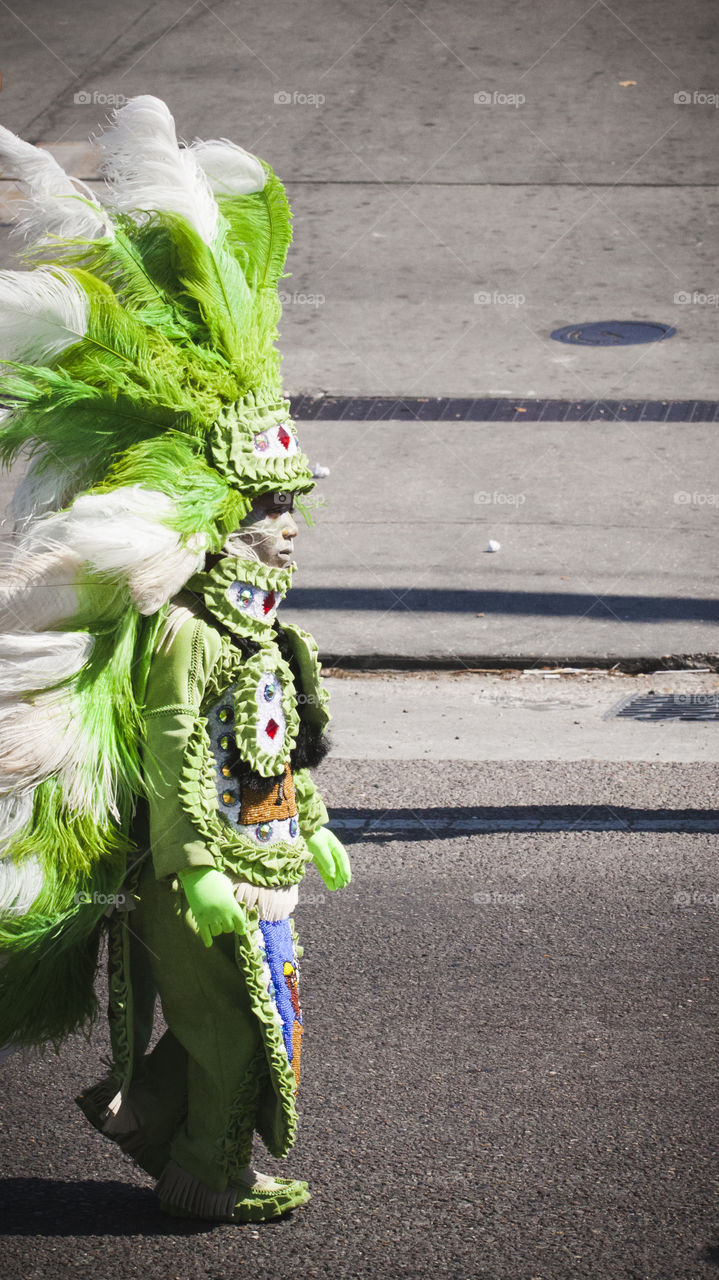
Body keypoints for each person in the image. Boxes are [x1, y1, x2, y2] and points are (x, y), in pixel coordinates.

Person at [0, 95, 349, 1224]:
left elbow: (277, 739)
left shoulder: (258, 627)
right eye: (271, 510)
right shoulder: (193, 629)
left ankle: (169, 1131)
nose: (290, 528)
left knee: (265, 1022)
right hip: (200, 877)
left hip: (261, 864)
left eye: (293, 509)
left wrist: (314, 822)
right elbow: (172, 747)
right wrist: (198, 862)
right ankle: (206, 1176)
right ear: (224, 516)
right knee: (229, 1025)